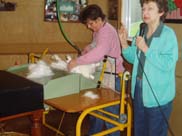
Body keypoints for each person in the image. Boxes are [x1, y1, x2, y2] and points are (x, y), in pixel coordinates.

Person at [118, 0, 178, 136]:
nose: (145, 12)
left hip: (158, 95)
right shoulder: (141, 30)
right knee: (139, 131)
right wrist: (123, 43)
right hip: (138, 89)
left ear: (161, 11)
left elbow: (168, 64)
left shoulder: (168, 35)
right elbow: (134, 58)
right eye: (143, 8)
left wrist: (146, 48)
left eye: (150, 9)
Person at [67, 4, 125, 136]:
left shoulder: (107, 31)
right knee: (96, 111)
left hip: (113, 77)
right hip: (103, 75)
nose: (89, 27)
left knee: (111, 116)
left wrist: (77, 61)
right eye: (87, 24)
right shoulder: (99, 30)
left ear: (99, 20)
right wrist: (89, 47)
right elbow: (96, 44)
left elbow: (99, 52)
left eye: (91, 23)